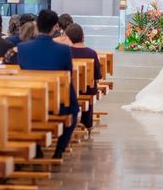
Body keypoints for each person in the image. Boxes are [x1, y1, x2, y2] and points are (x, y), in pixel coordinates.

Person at [17, 10, 79, 159]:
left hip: (30, 99)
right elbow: (68, 75)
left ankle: (37, 148)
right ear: (55, 27)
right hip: (56, 102)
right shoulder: (63, 50)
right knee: (74, 109)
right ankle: (59, 150)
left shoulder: (23, 48)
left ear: (37, 26)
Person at [63, 23, 102, 130]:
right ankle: (87, 123)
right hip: (87, 90)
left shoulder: (65, 52)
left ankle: (68, 122)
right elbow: (98, 75)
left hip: (68, 88)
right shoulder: (92, 53)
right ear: (83, 36)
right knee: (90, 86)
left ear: (68, 38)